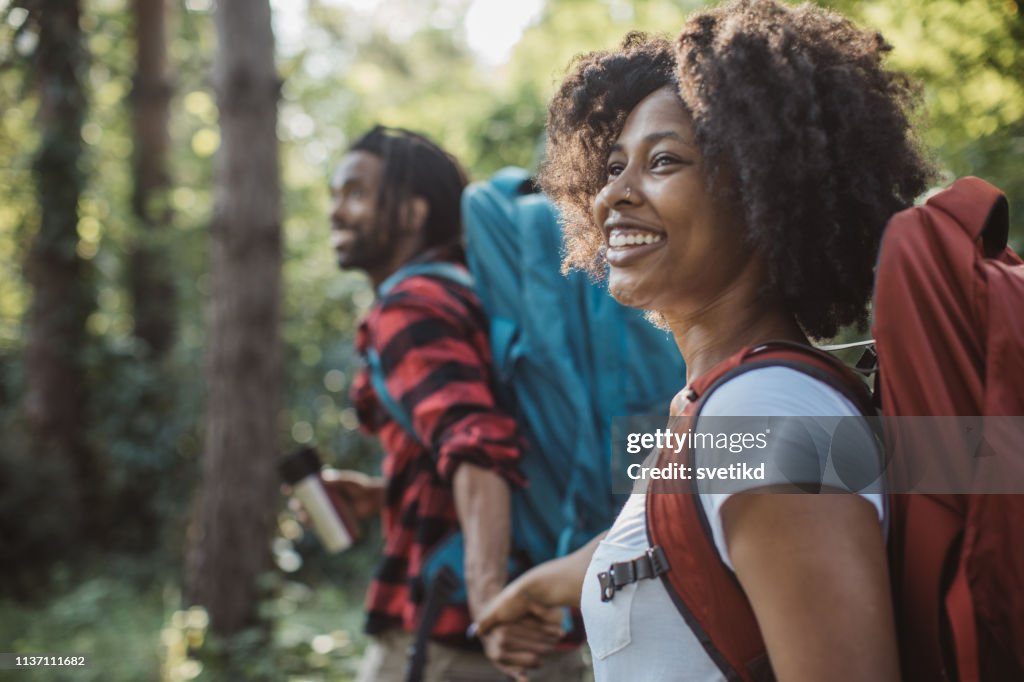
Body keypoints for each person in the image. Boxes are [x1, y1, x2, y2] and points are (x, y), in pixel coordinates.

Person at [473, 2, 934, 680]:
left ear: (762, 190)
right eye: (610, 167)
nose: (613, 197)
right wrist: (560, 579)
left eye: (663, 161)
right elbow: (693, 528)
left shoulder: (761, 416)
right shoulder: (726, 407)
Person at [322, 126, 579, 681]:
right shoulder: (470, 291)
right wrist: (383, 495)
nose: (336, 211)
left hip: (459, 635)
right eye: (335, 194)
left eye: (355, 193)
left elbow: (477, 444)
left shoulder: (411, 307)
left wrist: (487, 598)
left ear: (413, 213)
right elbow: (495, 434)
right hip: (537, 610)